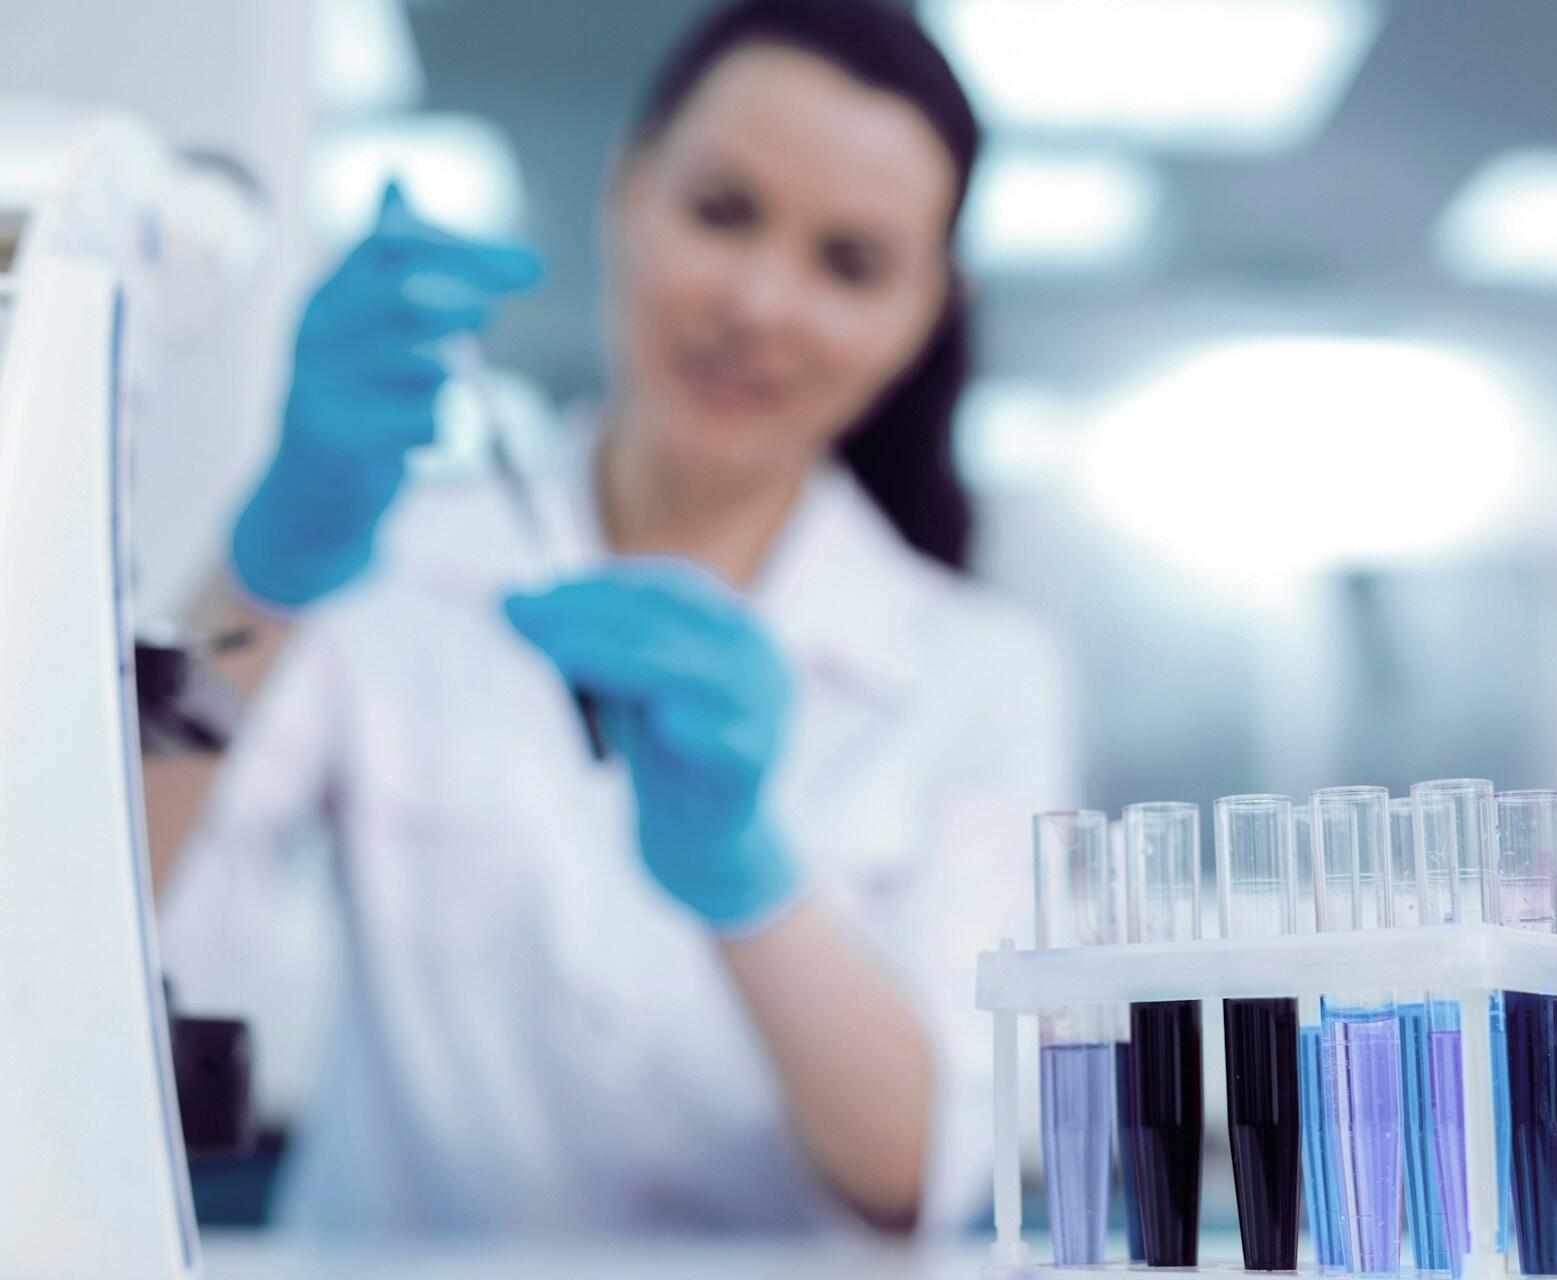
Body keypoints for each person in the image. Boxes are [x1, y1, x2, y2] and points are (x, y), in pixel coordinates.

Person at [156, 0, 1074, 1237]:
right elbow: (108, 922)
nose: (758, 301)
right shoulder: (397, 568)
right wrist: (267, 572)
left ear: (926, 311)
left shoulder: (983, 672)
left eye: (849, 263)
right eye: (723, 210)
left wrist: (750, 885)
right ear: (626, 193)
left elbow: (927, 1171)